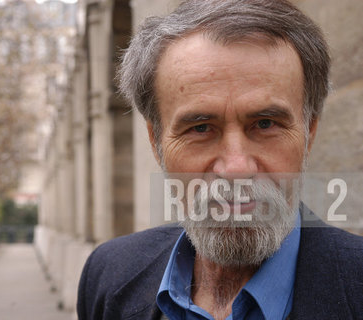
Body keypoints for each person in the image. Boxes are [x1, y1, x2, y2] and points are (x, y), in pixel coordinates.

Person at [77, 1, 363, 319]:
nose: (236, 168)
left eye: (265, 123)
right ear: (156, 143)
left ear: (309, 133)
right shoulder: (108, 275)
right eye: (200, 128)